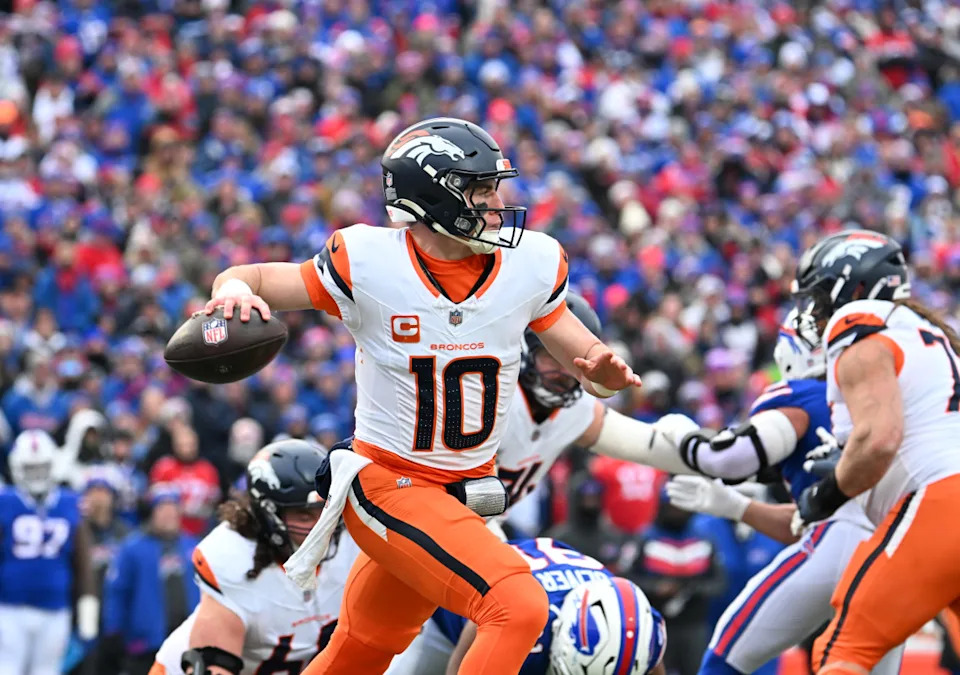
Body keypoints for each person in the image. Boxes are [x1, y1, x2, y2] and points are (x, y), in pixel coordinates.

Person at [204, 117, 643, 675]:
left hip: (463, 494)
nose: (495, 201)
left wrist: (604, 374)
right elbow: (258, 279)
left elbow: (592, 368)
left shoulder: (529, 265)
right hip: (388, 483)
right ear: (433, 193)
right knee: (516, 604)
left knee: (361, 651)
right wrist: (234, 290)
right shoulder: (368, 263)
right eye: (480, 188)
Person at [662, 309, 903, 674]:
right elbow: (820, 515)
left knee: (726, 657)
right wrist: (736, 506)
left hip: (839, 541)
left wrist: (682, 436)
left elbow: (728, 460)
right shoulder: (890, 403)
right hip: (894, 556)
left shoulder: (805, 395)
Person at [787, 229, 960, 674]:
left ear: (854, 287)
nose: (815, 312)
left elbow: (879, 439)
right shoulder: (929, 334)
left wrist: (825, 495)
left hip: (940, 504)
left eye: (821, 297)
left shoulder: (862, 321)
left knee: (843, 650)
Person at [151, 439, 360, 675]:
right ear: (268, 512)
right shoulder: (233, 557)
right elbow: (214, 666)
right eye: (303, 515)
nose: (320, 525)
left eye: (325, 509)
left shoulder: (352, 540)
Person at [385, 537, 666, 675]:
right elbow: (462, 661)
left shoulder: (642, 632)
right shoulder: (527, 626)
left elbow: (652, 662)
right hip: (455, 619)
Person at [0, 429, 98, 675]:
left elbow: (83, 561)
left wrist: (88, 612)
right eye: (31, 469)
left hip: (56, 608)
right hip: (10, 607)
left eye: (42, 468)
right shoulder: (6, 502)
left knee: (47, 671)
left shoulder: (69, 503)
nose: (37, 475)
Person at [101, 484, 199, 675]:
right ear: (152, 513)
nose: (169, 514)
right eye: (162, 508)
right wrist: (113, 631)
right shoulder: (132, 548)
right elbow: (117, 592)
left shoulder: (193, 546)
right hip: (146, 644)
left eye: (173, 508)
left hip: (189, 643)